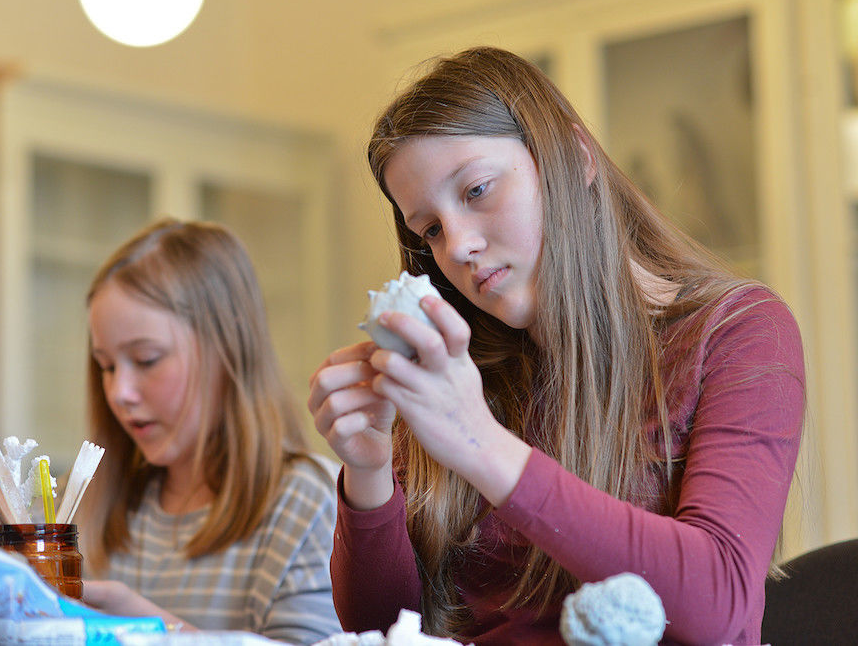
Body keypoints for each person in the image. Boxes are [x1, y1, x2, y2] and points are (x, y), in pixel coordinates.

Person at [308, 46, 803, 645]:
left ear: (576, 157)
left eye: (477, 189)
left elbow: (719, 604)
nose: (457, 245)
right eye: (430, 229)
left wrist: (481, 446)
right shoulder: (466, 372)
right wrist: (369, 470)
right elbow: (385, 627)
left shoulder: (737, 330)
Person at [79, 218, 341, 644]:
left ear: (227, 349)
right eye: (106, 366)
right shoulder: (112, 506)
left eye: (146, 360)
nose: (119, 392)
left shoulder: (310, 501)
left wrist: (149, 628)